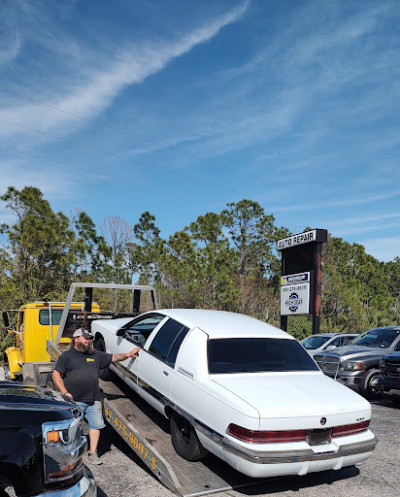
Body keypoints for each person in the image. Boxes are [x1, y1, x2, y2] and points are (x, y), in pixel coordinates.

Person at [52, 328, 140, 465]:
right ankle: (67, 455)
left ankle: (93, 453)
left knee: (95, 426)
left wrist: (128, 354)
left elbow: (114, 357)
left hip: (93, 399)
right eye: (85, 338)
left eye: (89, 338)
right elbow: (56, 374)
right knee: (71, 427)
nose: (88, 341)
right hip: (74, 400)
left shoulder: (96, 355)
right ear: (76, 339)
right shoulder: (66, 356)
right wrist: (64, 392)